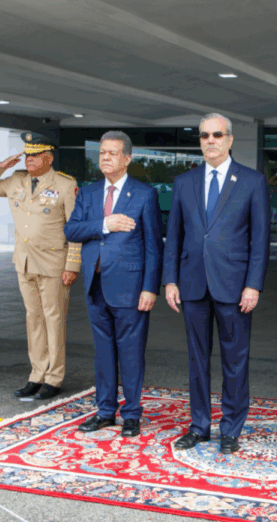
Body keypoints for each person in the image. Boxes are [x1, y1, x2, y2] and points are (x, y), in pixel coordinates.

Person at [162, 113, 270, 454]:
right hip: (192, 284)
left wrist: (253, 284)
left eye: (217, 135)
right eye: (205, 135)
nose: (211, 140)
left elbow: (261, 239)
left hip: (235, 287)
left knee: (235, 360)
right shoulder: (184, 182)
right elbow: (174, 236)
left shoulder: (252, 182)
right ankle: (199, 425)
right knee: (197, 360)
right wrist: (169, 280)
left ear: (230, 139)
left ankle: (231, 429)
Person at [65, 131, 163, 438]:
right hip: (96, 285)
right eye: (102, 153)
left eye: (113, 153)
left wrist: (150, 288)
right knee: (103, 352)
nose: (106, 158)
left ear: (127, 159)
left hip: (131, 287)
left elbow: (153, 245)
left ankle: (132, 413)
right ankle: (105, 411)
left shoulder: (144, 194)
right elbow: (72, 230)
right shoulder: (89, 193)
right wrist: (105, 224)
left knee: (131, 352)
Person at [0, 133, 82, 400]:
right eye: (27, 155)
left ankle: (54, 377)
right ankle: (36, 374)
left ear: (49, 158)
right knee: (33, 319)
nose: (29, 159)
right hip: (24, 261)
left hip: (53, 262)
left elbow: (75, 228)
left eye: (35, 155)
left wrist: (72, 264)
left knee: (53, 320)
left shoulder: (65, 185)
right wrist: (1, 167)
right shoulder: (16, 180)